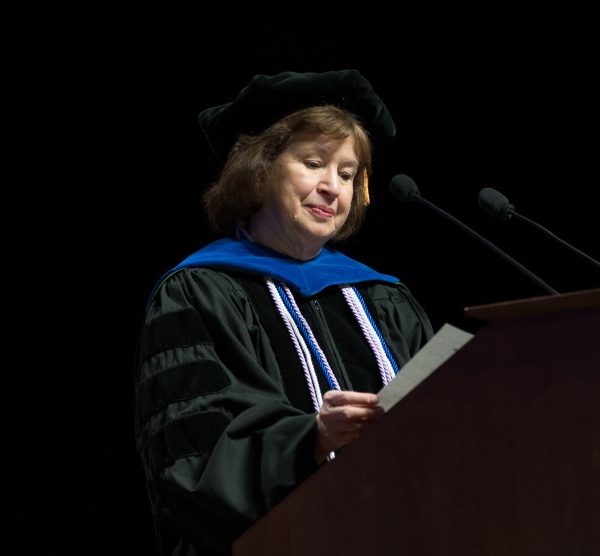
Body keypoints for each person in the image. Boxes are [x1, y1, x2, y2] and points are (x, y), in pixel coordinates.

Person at [133, 69, 435, 555]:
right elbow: (191, 461)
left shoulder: (385, 300)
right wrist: (309, 440)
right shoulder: (198, 293)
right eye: (313, 163)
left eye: (346, 172)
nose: (332, 188)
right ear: (258, 168)